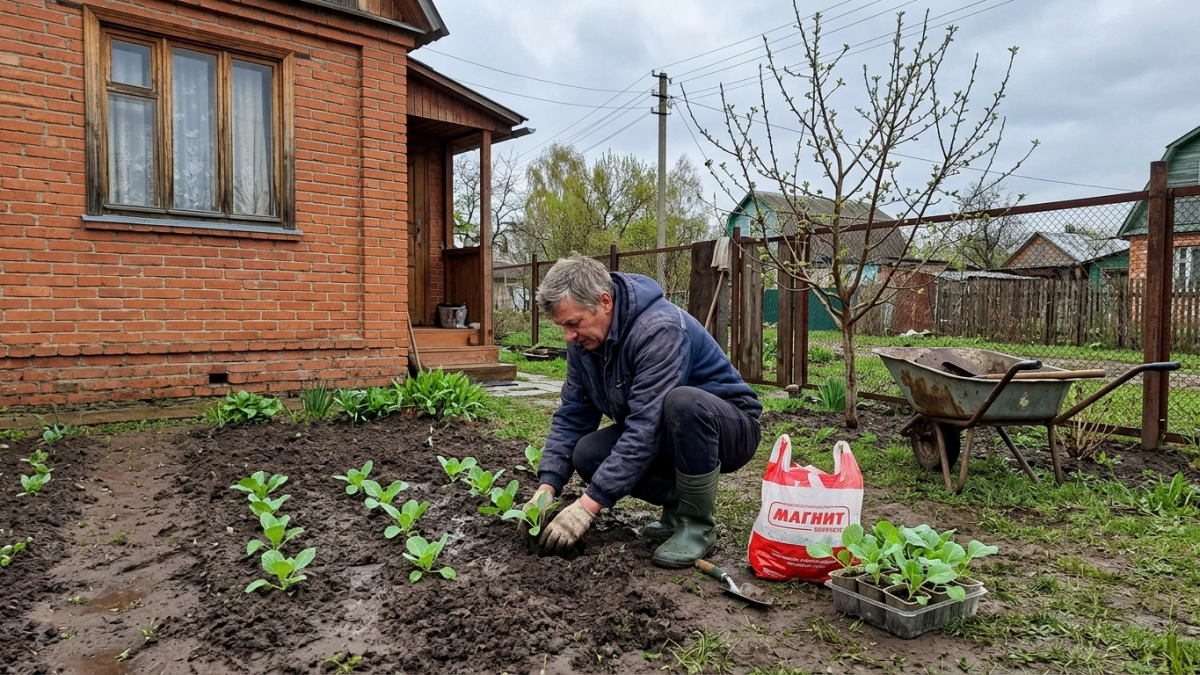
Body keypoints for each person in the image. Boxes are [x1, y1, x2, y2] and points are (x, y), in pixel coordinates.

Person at [524, 254, 761, 568]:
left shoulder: (658, 329)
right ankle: (677, 508)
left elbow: (646, 427)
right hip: (666, 429)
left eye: (574, 323)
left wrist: (587, 506)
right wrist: (547, 486)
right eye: (563, 326)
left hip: (726, 427)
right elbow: (573, 414)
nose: (569, 336)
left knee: (683, 402)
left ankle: (697, 525)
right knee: (588, 453)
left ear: (604, 301)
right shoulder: (585, 344)